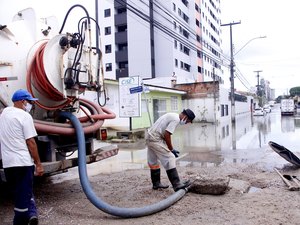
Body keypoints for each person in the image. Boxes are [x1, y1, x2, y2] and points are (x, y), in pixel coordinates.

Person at [0, 89, 44, 225]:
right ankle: (19, 221)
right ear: (22, 101)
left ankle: (31, 215)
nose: (30, 105)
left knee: (21, 194)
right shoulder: (25, 116)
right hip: (23, 164)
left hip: (8, 165)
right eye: (29, 102)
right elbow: (31, 142)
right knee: (22, 200)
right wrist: (38, 164)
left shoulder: (4, 114)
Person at [147, 108, 195, 191]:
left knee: (153, 161)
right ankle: (176, 184)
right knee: (170, 158)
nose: (186, 123)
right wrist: (171, 149)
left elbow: (164, 133)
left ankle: (156, 184)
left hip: (149, 136)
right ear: (185, 117)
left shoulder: (173, 115)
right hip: (155, 138)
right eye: (187, 121)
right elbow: (167, 134)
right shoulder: (176, 119)